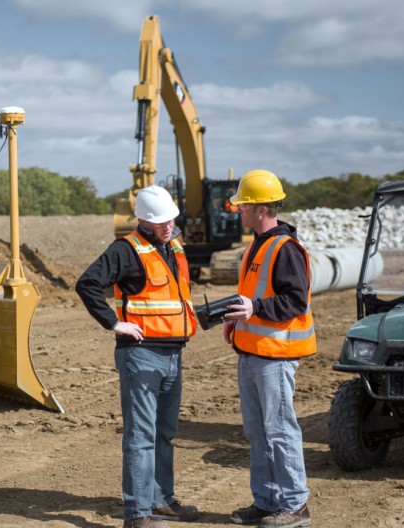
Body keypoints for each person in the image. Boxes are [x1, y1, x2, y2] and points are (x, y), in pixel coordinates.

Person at [76, 185, 201, 528]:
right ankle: (138, 512)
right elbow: (87, 284)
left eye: (170, 219)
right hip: (141, 355)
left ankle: (161, 500)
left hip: (173, 353)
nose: (167, 225)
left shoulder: (173, 246)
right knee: (141, 436)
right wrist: (116, 324)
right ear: (144, 220)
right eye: (160, 221)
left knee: (165, 432)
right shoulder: (126, 250)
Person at [222, 170, 315, 528]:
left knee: (280, 430)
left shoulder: (285, 249)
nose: (239, 211)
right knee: (258, 431)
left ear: (260, 208)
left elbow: (294, 302)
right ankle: (266, 501)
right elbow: (252, 294)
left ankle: (295, 505)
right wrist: (236, 317)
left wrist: (255, 310)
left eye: (243, 205)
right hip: (250, 351)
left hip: (275, 357)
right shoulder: (255, 246)